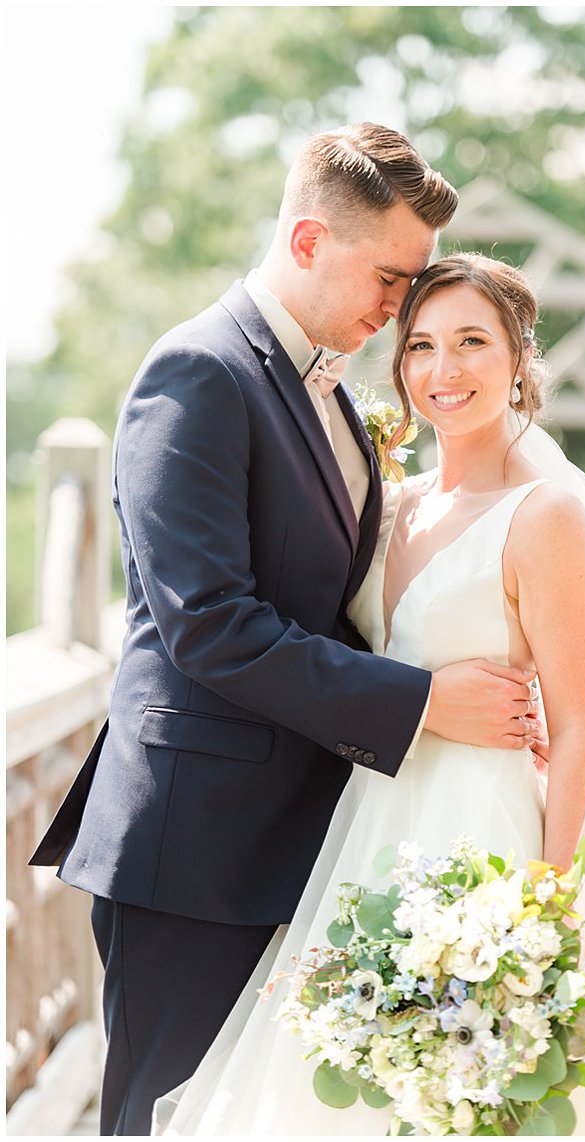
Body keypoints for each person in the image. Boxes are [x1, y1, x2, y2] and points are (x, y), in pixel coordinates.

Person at [29, 124, 544, 1137]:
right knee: (166, 1117)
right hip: (194, 846)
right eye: (390, 278)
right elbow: (208, 623)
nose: (399, 309)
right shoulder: (199, 370)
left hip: (308, 839)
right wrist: (425, 701)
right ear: (309, 240)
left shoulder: (337, 398)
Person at [156, 254, 585, 1134]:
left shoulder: (548, 515)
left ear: (520, 360)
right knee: (355, 1084)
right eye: (422, 346)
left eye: (473, 343)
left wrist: (544, 906)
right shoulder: (389, 506)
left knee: (476, 1096)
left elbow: (582, 723)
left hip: (487, 840)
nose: (444, 371)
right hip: (370, 827)